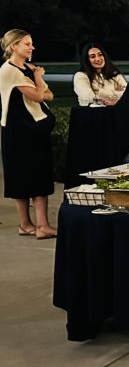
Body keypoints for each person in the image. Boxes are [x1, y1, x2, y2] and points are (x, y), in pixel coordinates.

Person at [0, 30, 57, 239]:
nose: (32, 47)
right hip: (20, 130)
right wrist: (38, 77)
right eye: (27, 44)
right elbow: (40, 94)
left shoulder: (26, 68)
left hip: (29, 128)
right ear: (13, 46)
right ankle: (39, 226)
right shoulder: (10, 70)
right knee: (28, 176)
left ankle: (28, 224)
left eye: (31, 43)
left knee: (30, 174)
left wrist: (38, 84)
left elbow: (49, 95)